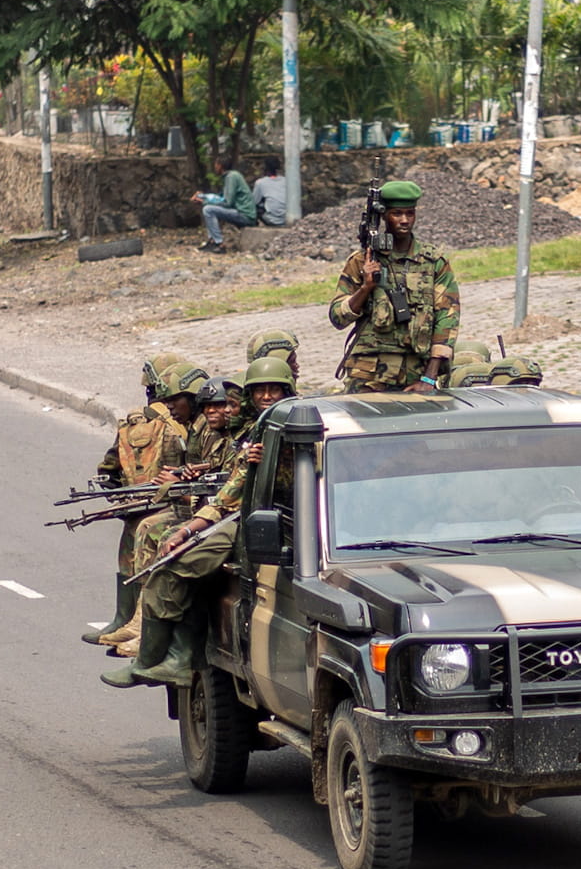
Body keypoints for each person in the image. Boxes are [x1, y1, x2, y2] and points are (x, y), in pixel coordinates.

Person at [103, 357, 295, 688]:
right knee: (171, 558)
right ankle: (156, 659)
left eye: (273, 390)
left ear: (286, 391)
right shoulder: (255, 432)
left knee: (177, 567)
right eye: (259, 391)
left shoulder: (295, 425)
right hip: (243, 514)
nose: (266, 396)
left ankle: (160, 659)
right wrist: (191, 528)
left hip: (277, 523)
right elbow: (231, 491)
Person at [108, 379, 247, 658]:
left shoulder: (241, 439)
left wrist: (182, 493)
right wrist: (187, 475)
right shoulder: (210, 433)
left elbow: (226, 495)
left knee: (170, 546)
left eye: (224, 406)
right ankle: (139, 622)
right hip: (210, 511)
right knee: (145, 527)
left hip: (225, 519)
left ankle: (165, 646)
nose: (215, 412)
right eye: (208, 407)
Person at [82, 358, 202, 647]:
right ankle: (127, 618)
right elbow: (112, 466)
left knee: (144, 536)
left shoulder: (189, 424)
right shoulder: (178, 422)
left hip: (176, 505)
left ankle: (139, 623)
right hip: (156, 501)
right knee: (132, 541)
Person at [328, 179, 461, 393]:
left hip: (415, 374)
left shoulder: (433, 262)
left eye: (410, 213)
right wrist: (366, 288)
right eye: (397, 213)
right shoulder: (362, 261)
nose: (404, 220)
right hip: (368, 377)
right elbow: (337, 317)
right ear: (384, 215)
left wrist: (429, 378)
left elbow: (447, 319)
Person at [192, 155, 256, 253]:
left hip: (245, 214)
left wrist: (204, 202)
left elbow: (227, 202)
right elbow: (220, 198)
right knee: (208, 207)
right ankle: (212, 240)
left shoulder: (231, 177)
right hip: (240, 211)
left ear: (220, 166)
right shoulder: (230, 176)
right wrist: (203, 196)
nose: (215, 167)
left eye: (216, 165)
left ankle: (219, 243)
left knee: (208, 209)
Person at [252, 156, 288, 228]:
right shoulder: (286, 181)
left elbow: (254, 202)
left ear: (265, 167)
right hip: (286, 218)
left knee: (257, 207)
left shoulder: (260, 182)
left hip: (272, 219)